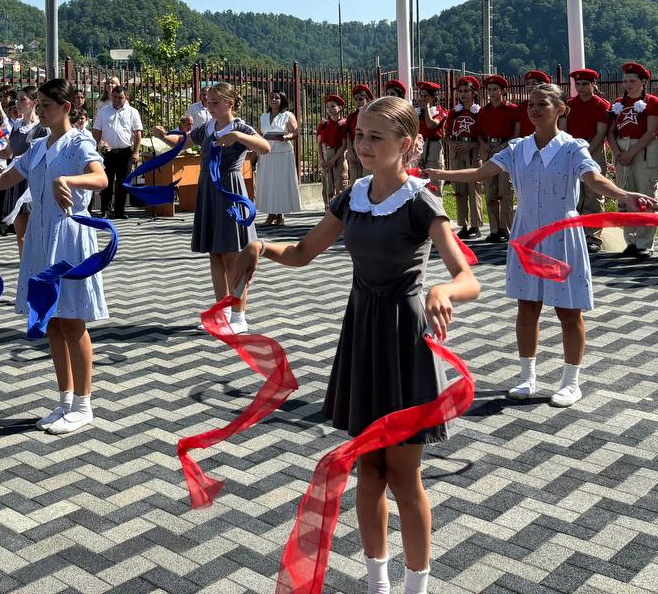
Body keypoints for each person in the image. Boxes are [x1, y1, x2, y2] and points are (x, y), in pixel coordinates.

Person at [232, 95, 480, 594]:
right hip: (362, 334)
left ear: (407, 145)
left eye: (376, 137)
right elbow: (304, 252)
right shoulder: (352, 196)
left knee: (404, 476)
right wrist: (262, 247)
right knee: (367, 471)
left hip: (405, 340)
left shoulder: (420, 202)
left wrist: (442, 290)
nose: (363, 145)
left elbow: (466, 277)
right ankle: (377, 582)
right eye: (359, 135)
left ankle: (417, 587)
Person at [430, 82, 655, 408]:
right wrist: (439, 172)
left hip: (562, 237)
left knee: (568, 310)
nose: (535, 110)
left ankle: (570, 382)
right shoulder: (517, 148)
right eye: (531, 104)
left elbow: (594, 180)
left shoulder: (572, 148)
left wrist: (623, 195)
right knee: (527, 306)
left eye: (543, 104)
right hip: (525, 234)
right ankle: (527, 376)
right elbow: (481, 173)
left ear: (561, 109)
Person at [0, 79, 108, 435]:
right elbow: (6, 178)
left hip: (69, 238)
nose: (41, 109)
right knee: (50, 319)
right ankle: (64, 400)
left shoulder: (80, 142)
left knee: (72, 321)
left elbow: (101, 179)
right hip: (39, 238)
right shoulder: (36, 147)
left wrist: (69, 182)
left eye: (48, 104)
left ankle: (84, 404)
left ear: (66, 108)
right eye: (41, 104)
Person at [153, 82, 270, 334]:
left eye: (215, 102)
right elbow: (183, 142)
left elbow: (265, 147)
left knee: (232, 256)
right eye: (208, 101)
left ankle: (239, 317)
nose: (210, 106)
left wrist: (238, 137)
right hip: (208, 192)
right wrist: (163, 136)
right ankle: (223, 313)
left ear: (230, 103)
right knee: (215, 255)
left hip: (230, 192)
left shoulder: (240, 127)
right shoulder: (206, 127)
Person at [608, 62, 658, 261]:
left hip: (643, 150)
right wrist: (616, 152)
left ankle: (644, 243)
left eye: (633, 81)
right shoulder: (618, 103)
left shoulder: (653, 101)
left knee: (646, 196)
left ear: (643, 81)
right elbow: (611, 131)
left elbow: (651, 131)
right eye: (625, 81)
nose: (628, 84)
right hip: (622, 151)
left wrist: (631, 153)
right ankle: (630, 241)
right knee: (626, 196)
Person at [561, 69, 611, 254]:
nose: (580, 88)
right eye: (577, 84)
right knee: (575, 194)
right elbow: (563, 130)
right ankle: (577, 231)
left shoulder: (601, 105)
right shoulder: (569, 105)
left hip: (593, 151)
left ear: (593, 85)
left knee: (594, 194)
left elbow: (600, 133)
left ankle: (593, 236)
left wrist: (585, 152)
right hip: (572, 151)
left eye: (585, 84)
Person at [0, 86, 47, 258]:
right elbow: (7, 153)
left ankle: (39, 264)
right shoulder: (17, 126)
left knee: (37, 232)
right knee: (21, 235)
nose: (18, 103)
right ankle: (25, 268)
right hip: (17, 178)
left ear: (34, 102)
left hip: (33, 180)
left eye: (22, 99)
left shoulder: (42, 128)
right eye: (17, 99)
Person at [477, 75, 519, 242]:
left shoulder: (512, 109)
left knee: (505, 191)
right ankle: (494, 229)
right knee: (490, 191)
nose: (492, 92)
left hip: (505, 149)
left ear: (503, 91)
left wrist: (501, 147)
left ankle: (505, 229)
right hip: (488, 150)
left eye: (495, 89)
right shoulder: (483, 111)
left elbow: (516, 134)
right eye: (489, 90)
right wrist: (483, 144)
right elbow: (479, 133)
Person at [92, 85, 144, 220]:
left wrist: (136, 152)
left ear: (126, 97)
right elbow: (97, 131)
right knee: (106, 182)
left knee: (123, 183)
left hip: (125, 152)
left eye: (120, 97)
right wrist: (95, 149)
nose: (117, 100)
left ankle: (119, 211)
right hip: (106, 153)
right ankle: (105, 210)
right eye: (114, 97)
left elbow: (138, 133)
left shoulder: (132, 112)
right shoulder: (103, 112)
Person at [444, 76, 483, 240]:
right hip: (456, 150)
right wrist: (451, 143)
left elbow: (483, 134)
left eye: (466, 91)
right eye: (460, 91)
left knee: (473, 188)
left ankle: (475, 225)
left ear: (474, 93)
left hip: (472, 149)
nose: (463, 94)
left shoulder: (479, 111)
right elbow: (446, 134)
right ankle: (464, 224)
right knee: (459, 189)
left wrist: (472, 145)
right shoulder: (454, 112)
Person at [255, 90, 301, 226]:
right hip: (267, 153)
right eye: (272, 98)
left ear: (282, 100)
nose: (274, 100)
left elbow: (295, 133)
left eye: (277, 98)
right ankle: (272, 213)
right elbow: (260, 133)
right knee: (269, 183)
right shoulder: (263, 116)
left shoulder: (288, 115)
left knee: (280, 184)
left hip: (283, 153)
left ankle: (278, 215)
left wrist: (285, 137)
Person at [318, 94, 347, 204]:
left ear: (340, 108)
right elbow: (319, 143)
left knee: (340, 184)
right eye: (328, 106)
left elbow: (344, 145)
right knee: (327, 185)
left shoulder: (344, 123)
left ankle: (340, 210)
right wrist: (321, 160)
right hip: (326, 155)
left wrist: (333, 160)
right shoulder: (323, 124)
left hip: (338, 156)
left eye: (333, 106)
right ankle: (328, 208)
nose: (330, 109)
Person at [415, 81, 447, 171]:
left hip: (433, 146)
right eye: (421, 96)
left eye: (426, 96)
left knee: (435, 178)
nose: (423, 99)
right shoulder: (417, 112)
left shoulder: (441, 111)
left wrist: (427, 108)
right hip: (419, 145)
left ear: (433, 98)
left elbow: (431, 125)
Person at [346, 84, 374, 183]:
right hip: (354, 149)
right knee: (354, 181)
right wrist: (350, 152)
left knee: (367, 179)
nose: (358, 102)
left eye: (361, 99)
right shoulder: (351, 117)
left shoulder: (373, 116)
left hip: (367, 148)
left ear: (368, 100)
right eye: (356, 99)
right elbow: (348, 136)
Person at [515, 70, 552, 137]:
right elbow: (517, 132)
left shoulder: (551, 105)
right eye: (528, 84)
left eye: (534, 83)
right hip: (526, 144)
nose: (530, 86)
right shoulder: (522, 106)